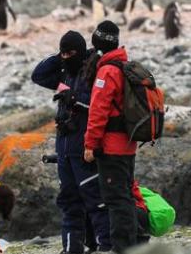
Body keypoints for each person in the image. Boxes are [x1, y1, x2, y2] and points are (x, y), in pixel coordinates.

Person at [32, 31, 112, 253]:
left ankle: (105, 248)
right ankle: (72, 249)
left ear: (81, 51)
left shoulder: (93, 73)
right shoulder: (64, 75)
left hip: (84, 149)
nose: (67, 57)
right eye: (63, 53)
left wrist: (77, 101)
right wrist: (60, 58)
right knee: (69, 205)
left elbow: (100, 107)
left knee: (96, 203)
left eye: (70, 52)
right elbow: (38, 75)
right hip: (65, 150)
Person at [83, 21, 138, 253]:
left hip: (112, 147)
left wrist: (90, 145)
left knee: (116, 200)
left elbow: (98, 112)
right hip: (128, 144)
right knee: (126, 196)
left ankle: (122, 248)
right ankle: (133, 244)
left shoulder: (107, 71)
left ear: (98, 42)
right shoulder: (125, 66)